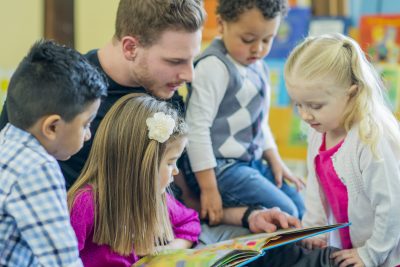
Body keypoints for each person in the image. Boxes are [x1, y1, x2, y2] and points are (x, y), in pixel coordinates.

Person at [68, 93, 339, 267]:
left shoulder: (158, 199)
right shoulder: (87, 204)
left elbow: (189, 223)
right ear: (142, 163)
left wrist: (171, 250)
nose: (175, 173)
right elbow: (60, 259)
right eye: (170, 163)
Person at [0, 0, 205, 189]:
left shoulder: (167, 91)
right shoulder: (52, 89)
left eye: (191, 59)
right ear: (130, 47)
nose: (189, 75)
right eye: (175, 61)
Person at [182, 0, 305, 226]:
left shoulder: (258, 66)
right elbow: (196, 129)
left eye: (267, 40)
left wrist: (276, 161)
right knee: (287, 212)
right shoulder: (214, 66)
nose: (258, 49)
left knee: (300, 205)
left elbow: (259, 122)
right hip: (217, 167)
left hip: (250, 163)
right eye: (248, 39)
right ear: (222, 25)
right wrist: (209, 189)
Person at [284, 33, 400, 267]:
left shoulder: (370, 137)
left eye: (315, 105)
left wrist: (370, 254)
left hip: (387, 253)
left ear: (352, 92)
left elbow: (392, 207)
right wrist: (314, 230)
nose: (305, 115)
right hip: (353, 247)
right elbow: (316, 188)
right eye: (298, 104)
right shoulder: (319, 129)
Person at [0, 40, 107, 266]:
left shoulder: (7, 141)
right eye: (86, 124)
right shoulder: (37, 168)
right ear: (52, 127)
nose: (88, 135)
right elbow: (63, 261)